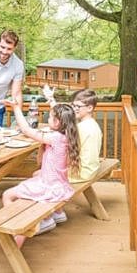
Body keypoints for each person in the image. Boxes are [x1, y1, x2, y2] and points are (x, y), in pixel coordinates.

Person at [1, 99, 80, 248]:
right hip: (59, 185)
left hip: (49, 187)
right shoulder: (66, 136)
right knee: (35, 175)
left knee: (7, 195)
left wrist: (16, 108)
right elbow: (39, 162)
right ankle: (53, 215)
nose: (47, 119)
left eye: (50, 117)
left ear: (57, 123)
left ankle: (17, 228)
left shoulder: (55, 138)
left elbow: (26, 130)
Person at [41, 87, 103, 224]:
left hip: (82, 172)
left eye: (78, 106)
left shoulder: (82, 128)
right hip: (91, 168)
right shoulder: (91, 124)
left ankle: (47, 217)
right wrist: (51, 100)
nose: (74, 109)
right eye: (73, 105)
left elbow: (62, 135)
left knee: (41, 176)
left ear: (90, 108)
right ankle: (57, 212)